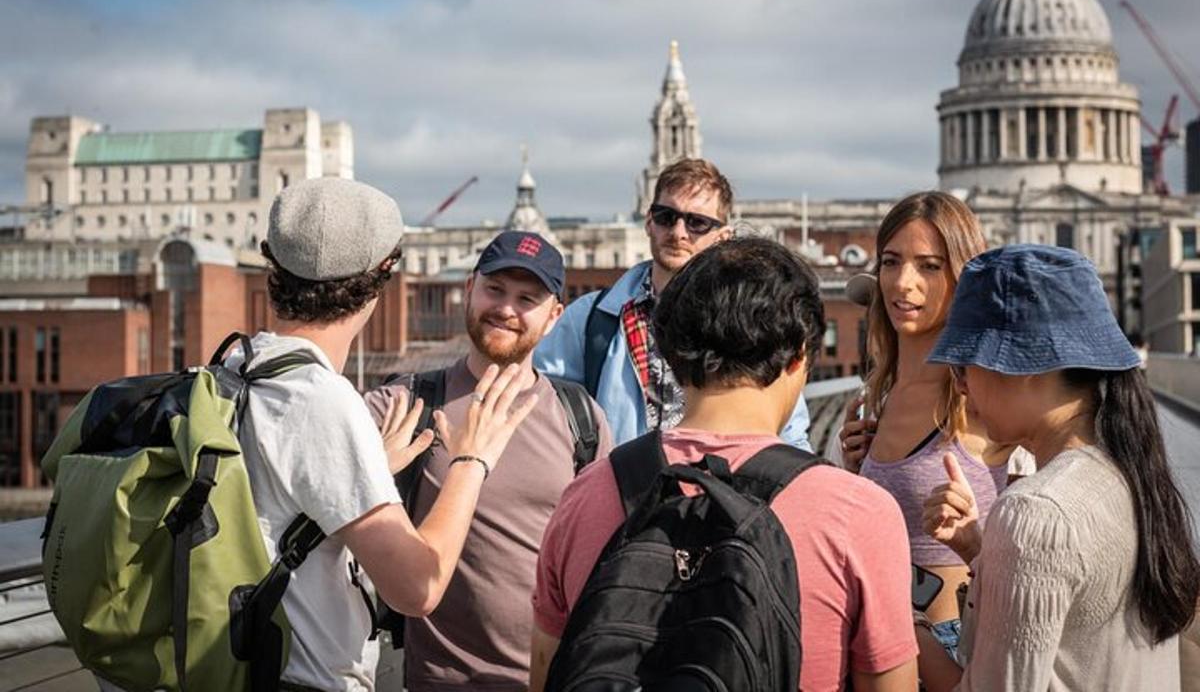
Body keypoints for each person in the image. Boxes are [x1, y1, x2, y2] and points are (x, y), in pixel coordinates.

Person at [530, 237, 918, 692]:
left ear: (672, 355)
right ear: (799, 357)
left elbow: (545, 676)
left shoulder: (586, 494)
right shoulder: (858, 513)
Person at [234, 178, 536, 692]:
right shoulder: (324, 402)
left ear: (273, 269)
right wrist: (471, 461)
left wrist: (368, 468)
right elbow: (417, 588)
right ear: (382, 275)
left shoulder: (236, 368)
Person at [917, 244, 1200, 690]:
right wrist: (980, 550)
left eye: (962, 367)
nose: (962, 387)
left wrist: (903, 632)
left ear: (1024, 363)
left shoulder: (1036, 511)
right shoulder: (1131, 473)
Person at [364, 231, 612, 691]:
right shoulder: (401, 405)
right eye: (495, 290)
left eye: (527, 298)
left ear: (555, 315)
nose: (506, 309)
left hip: (553, 677)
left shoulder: (582, 419)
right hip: (435, 680)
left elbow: (603, 560)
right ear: (469, 289)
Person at [836, 191, 1025, 653]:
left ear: (961, 278)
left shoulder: (981, 395)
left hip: (953, 646)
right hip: (877, 639)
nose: (903, 283)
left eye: (929, 266)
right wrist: (853, 475)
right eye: (891, 262)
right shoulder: (873, 397)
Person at [534, 158, 811, 449]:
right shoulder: (592, 318)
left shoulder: (751, 319)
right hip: (618, 488)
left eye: (697, 223)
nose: (678, 232)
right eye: (667, 216)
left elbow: (789, 433)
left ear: (723, 237)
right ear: (649, 222)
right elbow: (543, 408)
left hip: (719, 491)